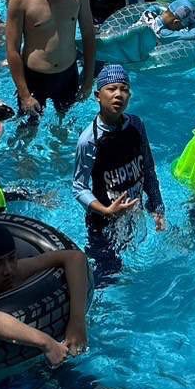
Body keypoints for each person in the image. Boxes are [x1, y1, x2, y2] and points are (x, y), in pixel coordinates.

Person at [0, 219, 89, 368]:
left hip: (56, 354)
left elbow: (75, 257)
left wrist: (77, 321)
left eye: (12, 258)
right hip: (5, 375)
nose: (8, 270)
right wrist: (45, 342)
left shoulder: (19, 271)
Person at [72, 64, 166, 279]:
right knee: (107, 273)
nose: (118, 95)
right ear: (97, 95)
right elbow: (78, 187)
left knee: (134, 264)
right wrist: (106, 211)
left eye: (124, 89)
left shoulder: (136, 125)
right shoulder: (89, 140)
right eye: (111, 89)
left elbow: (148, 168)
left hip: (134, 212)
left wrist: (157, 206)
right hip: (103, 222)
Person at [5, 0, 96, 118]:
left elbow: (88, 35)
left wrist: (87, 79)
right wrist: (24, 94)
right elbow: (12, 49)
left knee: (65, 124)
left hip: (67, 75)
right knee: (27, 129)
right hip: (34, 78)